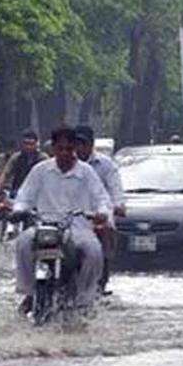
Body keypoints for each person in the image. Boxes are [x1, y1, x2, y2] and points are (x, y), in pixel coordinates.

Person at [11, 127, 111, 313]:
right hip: (44, 226)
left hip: (78, 228)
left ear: (74, 148)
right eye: (60, 148)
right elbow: (25, 196)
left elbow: (101, 198)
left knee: (94, 251)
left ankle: (85, 297)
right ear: (53, 149)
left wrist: (101, 212)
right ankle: (29, 291)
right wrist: (19, 210)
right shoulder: (40, 171)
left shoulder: (87, 172)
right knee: (23, 242)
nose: (64, 153)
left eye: (68, 148)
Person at [75, 125, 125, 295]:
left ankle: (100, 281)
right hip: (68, 215)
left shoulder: (106, 165)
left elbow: (115, 189)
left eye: (84, 144)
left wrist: (118, 205)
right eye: (77, 144)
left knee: (105, 232)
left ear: (91, 145)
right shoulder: (62, 163)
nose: (80, 148)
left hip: (97, 215)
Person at [0, 130, 46, 198]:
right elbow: (5, 174)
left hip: (38, 193)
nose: (28, 147)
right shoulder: (16, 157)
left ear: (36, 144)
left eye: (31, 144)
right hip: (18, 191)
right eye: (26, 143)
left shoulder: (43, 158)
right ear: (21, 144)